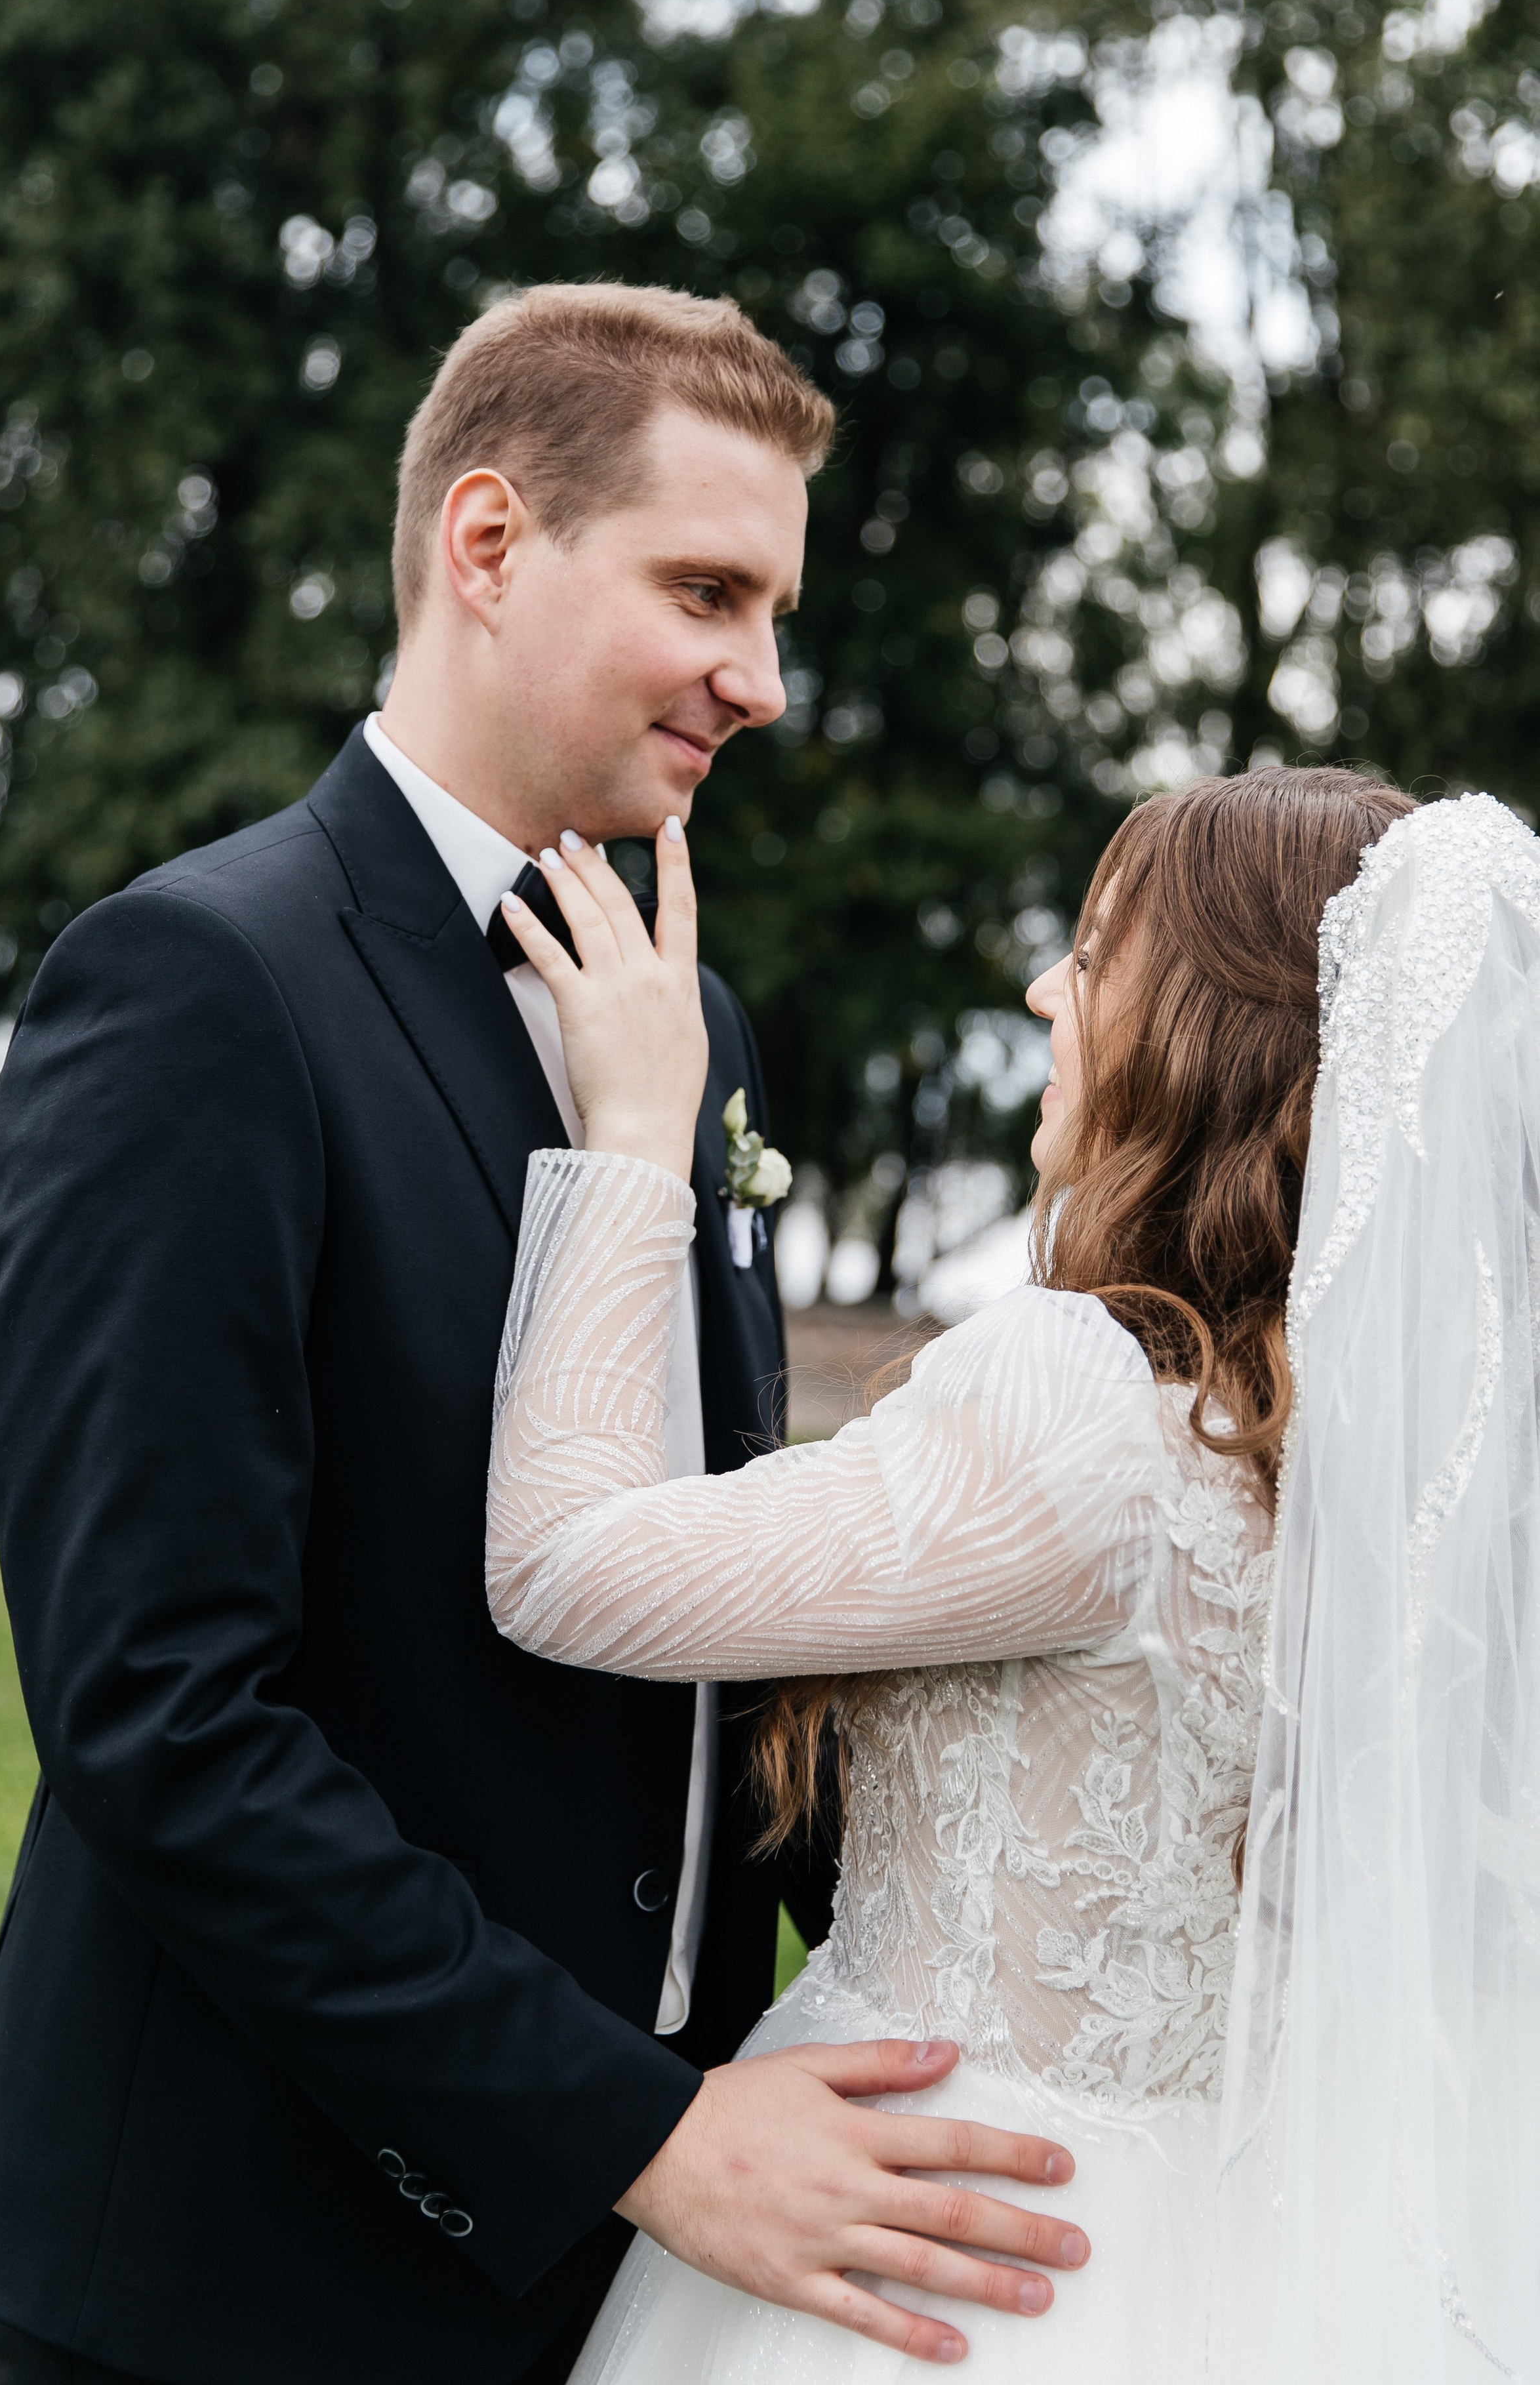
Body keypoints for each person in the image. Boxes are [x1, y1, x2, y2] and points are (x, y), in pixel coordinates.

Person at [0, 283, 1081, 2385]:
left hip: (659, 2262)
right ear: (489, 545)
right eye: (710, 592)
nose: (762, 680)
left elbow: (712, 1613)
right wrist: (629, 2132)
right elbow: (160, 1720)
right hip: (246, 2264)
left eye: (777, 609)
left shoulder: (692, 1018)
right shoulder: (200, 987)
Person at [486, 760, 1459, 2376]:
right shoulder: (1367, 1459)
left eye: (1091, 953)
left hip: (929, 2252)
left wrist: (640, 1133)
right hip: (1207, 2251)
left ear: (1204, 1028)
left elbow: (566, 1566)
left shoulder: (1085, 1404)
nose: (1041, 990)